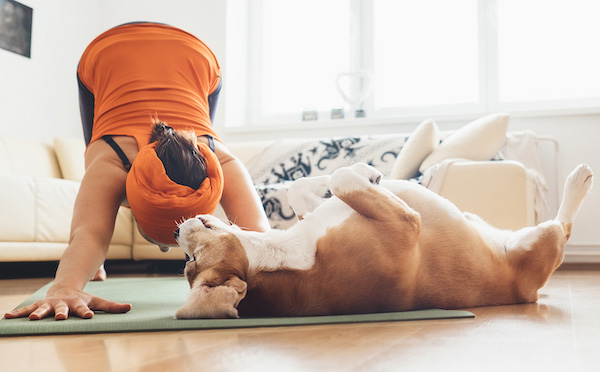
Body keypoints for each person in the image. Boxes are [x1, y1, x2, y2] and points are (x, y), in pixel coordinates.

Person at [4, 22, 270, 321]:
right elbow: (89, 234)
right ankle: (89, 264)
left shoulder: (219, 162)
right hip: (111, 53)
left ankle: (90, 264)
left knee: (97, 164)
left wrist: (68, 283)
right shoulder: (112, 160)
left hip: (191, 56)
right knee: (94, 149)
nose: (162, 249)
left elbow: (261, 239)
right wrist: (64, 287)